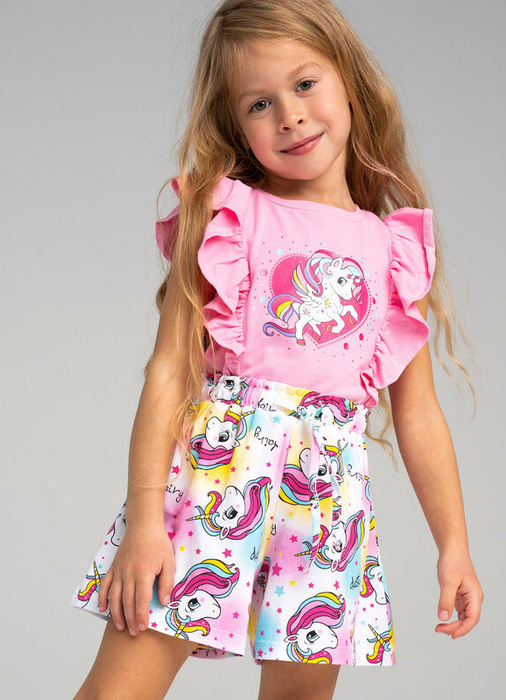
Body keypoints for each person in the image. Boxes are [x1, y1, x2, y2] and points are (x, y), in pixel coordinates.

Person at [69, 1, 484, 698]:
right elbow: (167, 373)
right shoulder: (228, 216)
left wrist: (454, 546)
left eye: (305, 84)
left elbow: (417, 414)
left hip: (326, 511)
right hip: (211, 488)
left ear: (349, 81)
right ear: (237, 126)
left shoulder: (393, 249)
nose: (290, 116)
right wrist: (144, 523)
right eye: (259, 104)